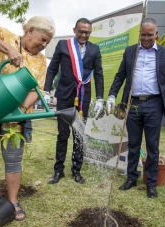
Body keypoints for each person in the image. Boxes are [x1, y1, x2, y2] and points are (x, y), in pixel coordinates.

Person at [0, 16, 55, 222]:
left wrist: (21, 109)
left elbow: (38, 89)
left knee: (14, 159)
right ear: (30, 30)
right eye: (42, 40)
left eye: (47, 43)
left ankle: (13, 200)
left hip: (16, 117)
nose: (43, 46)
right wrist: (7, 49)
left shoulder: (41, 60)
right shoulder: (5, 35)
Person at [106, 18, 165, 198]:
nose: (146, 38)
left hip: (154, 103)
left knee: (153, 145)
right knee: (133, 143)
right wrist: (112, 95)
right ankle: (131, 177)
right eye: (143, 34)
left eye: (150, 35)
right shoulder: (130, 52)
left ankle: (151, 183)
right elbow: (120, 75)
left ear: (156, 35)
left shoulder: (164, 53)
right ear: (139, 34)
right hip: (134, 103)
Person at [44, 18, 104, 185]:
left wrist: (99, 98)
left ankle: (77, 171)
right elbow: (52, 69)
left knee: (79, 134)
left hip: (83, 97)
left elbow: (98, 74)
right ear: (75, 30)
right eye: (81, 31)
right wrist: (46, 90)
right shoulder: (63, 45)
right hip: (64, 96)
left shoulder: (94, 49)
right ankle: (58, 171)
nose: (84, 35)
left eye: (87, 32)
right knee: (63, 134)